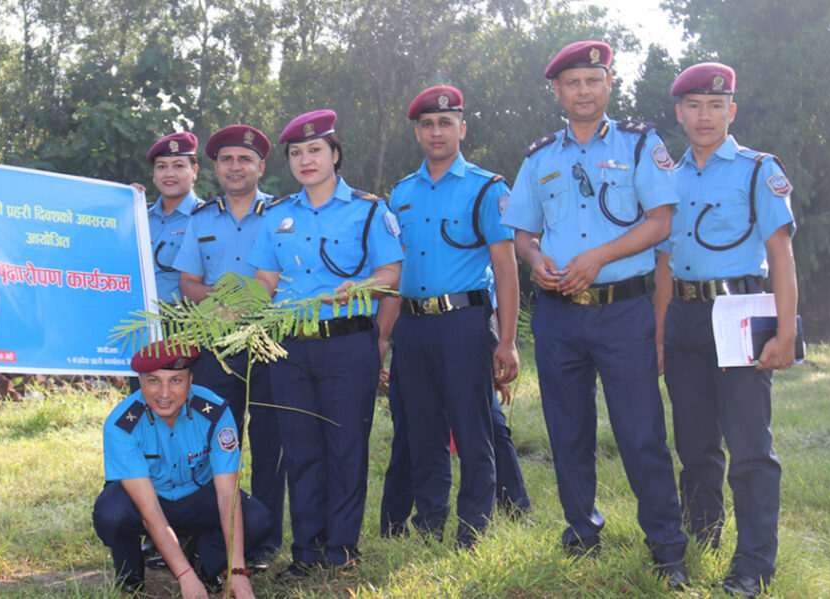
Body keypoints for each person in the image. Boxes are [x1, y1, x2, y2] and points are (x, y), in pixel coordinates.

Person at [499, 40, 689, 588]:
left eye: (592, 80)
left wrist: (597, 258)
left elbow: (660, 222)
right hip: (559, 317)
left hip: (622, 311)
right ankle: (581, 532)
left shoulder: (639, 144)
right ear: (557, 92)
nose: (582, 91)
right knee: (567, 430)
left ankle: (666, 547)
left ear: (608, 85)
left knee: (640, 431)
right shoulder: (539, 158)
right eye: (571, 83)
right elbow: (522, 235)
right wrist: (534, 261)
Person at [654, 62, 797, 598]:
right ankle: (702, 541)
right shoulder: (669, 177)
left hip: (742, 313)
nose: (704, 115)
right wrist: (659, 333)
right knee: (694, 446)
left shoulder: (759, 170)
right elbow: (664, 264)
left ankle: (754, 567)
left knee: (750, 449)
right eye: (693, 106)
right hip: (686, 319)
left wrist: (784, 331)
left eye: (716, 106)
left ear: (731, 111)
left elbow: (781, 254)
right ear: (679, 114)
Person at [247, 109, 403, 577]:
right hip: (288, 348)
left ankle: (341, 549)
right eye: (296, 153)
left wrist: (361, 293)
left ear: (335, 154)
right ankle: (306, 550)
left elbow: (391, 274)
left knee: (346, 446)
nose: (305, 160)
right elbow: (264, 280)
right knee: (300, 449)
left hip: (347, 343)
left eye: (315, 150)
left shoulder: (370, 209)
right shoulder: (276, 216)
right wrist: (236, 305)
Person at [384, 85, 521, 546]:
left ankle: (474, 525)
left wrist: (507, 339)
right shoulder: (401, 193)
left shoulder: (486, 187)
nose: (436, 131)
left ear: (462, 128)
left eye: (446, 123)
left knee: (472, 424)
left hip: (464, 322)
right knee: (421, 427)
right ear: (418, 133)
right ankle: (429, 519)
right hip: (412, 324)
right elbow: (391, 269)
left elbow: (505, 265)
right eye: (427, 124)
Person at [172, 125, 288, 557]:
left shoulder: (281, 215)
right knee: (213, 442)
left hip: (271, 345)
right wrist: (224, 305)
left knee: (271, 443)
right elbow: (187, 282)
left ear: (261, 166)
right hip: (217, 350)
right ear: (216, 168)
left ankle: (264, 542)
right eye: (226, 160)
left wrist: (245, 305)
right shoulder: (200, 219)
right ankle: (212, 539)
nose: (235, 167)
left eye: (244, 159)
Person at [92, 341, 270, 598]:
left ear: (190, 381)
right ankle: (130, 575)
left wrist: (238, 569)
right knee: (111, 513)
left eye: (175, 380)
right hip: (151, 500)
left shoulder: (215, 413)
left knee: (257, 519)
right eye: (154, 381)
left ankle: (206, 564)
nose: (164, 393)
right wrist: (183, 577)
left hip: (198, 497)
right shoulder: (122, 425)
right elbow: (149, 510)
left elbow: (227, 497)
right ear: (140, 382)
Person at [144, 132, 205, 302]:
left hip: (183, 323)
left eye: (178, 166)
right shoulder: (140, 218)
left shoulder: (206, 218)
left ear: (194, 170)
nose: (169, 174)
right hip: (135, 322)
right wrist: (126, 200)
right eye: (161, 166)